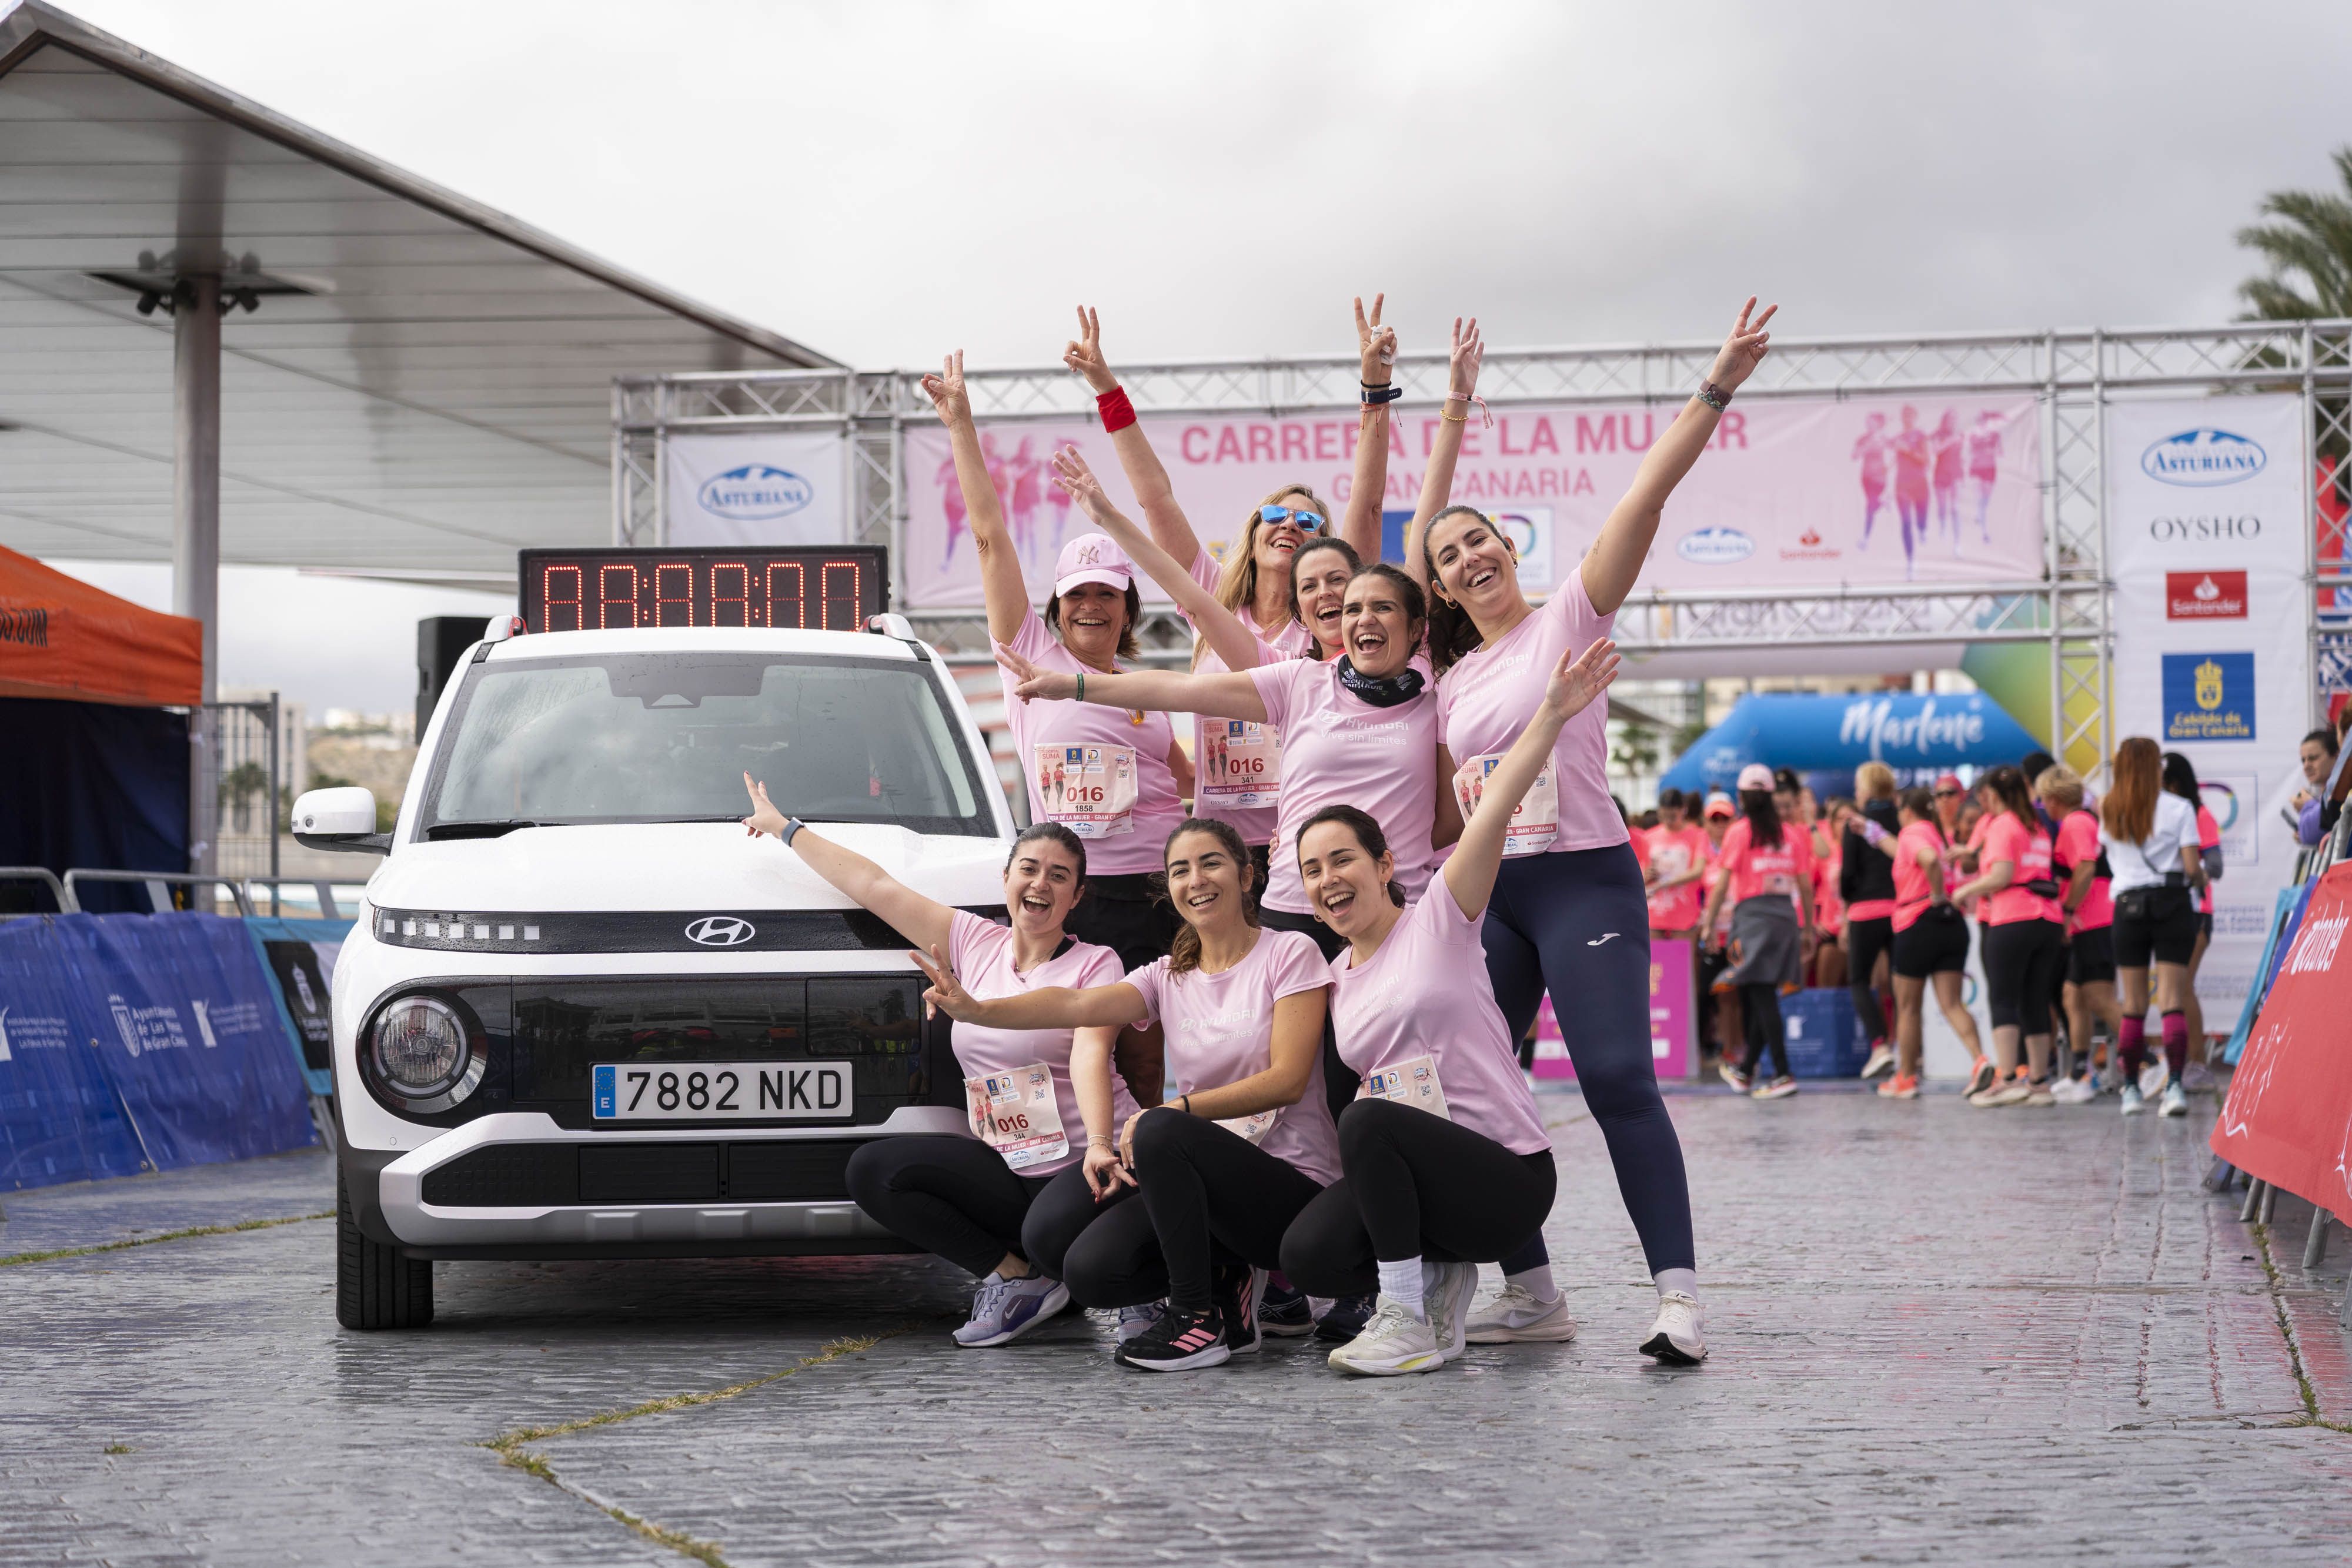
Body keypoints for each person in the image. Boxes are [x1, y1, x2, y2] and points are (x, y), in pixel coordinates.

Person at [1412, 296, 1775, 1360]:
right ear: (1437, 584)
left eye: (1482, 539)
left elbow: (1646, 497)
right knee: (1474, 1087)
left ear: (1508, 547)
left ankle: (1678, 1299)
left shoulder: (1567, 615)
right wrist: (1448, 407)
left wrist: (1715, 386)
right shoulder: (1446, 676)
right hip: (1492, 900)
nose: (1473, 556)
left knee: (1617, 1077)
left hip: (1582, 882)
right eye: (1451, 554)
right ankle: (1531, 1290)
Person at [1279, 636, 1625, 1374]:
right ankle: (1436, 1275)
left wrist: (1553, 714)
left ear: (1383, 866)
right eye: (1312, 870)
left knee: (1369, 1118)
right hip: (1423, 1179)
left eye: (1342, 859)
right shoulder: (1333, 974)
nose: (1327, 880)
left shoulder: (1441, 917)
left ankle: (1409, 1314)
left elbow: (1494, 808)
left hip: (1505, 1182)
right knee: (1307, 1255)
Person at [910, 817, 1339, 1372]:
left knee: (1161, 1127)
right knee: (1091, 1269)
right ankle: (1227, 1279)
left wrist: (1178, 1111)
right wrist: (977, 1010)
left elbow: (1287, 1080)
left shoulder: (1290, 953)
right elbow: (1074, 1004)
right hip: (1209, 1192)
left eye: (1211, 863)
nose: (1196, 879)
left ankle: (1196, 1320)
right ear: (1169, 888)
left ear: (1247, 875)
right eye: (1180, 870)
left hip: (1290, 1187)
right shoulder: (1166, 975)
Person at [736, 781, 1140, 1348]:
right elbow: (874, 885)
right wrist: (786, 828)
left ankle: (1138, 1284)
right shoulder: (972, 940)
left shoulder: (1097, 964)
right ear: (1006, 880)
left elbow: (1091, 1053)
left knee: (1053, 1238)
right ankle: (1014, 1278)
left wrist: (1101, 1140)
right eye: (1029, 868)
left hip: (1087, 1164)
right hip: (1008, 1165)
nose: (1040, 883)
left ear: (1076, 896)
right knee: (874, 1170)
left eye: (1059, 875)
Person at [921, 350, 1184, 1109]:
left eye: (1108, 594)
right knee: (1077, 1056)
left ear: (1129, 608)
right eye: (1077, 594)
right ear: (1056, 606)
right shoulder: (1027, 657)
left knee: (1147, 1061)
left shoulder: (1159, 688)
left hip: (1154, 895)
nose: (1091, 606)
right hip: (1068, 896)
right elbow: (989, 539)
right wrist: (962, 425)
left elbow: (1189, 784)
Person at [1061, 303, 1392, 862]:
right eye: (1275, 515)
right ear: (1254, 528)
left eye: (1308, 521)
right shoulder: (1211, 598)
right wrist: (1105, 387)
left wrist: (1375, 389)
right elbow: (1155, 497)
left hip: (1308, 842)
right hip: (1221, 846)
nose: (1290, 523)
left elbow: (1370, 501)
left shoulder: (1331, 620)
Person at [2100, 737, 2206, 1117]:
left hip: (2127, 907)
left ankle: (2130, 1090)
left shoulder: (2109, 808)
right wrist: (2201, 877)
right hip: (2172, 905)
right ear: (2153, 767)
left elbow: (2110, 858)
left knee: (2133, 1005)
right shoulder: (2179, 808)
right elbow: (2192, 868)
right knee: (2172, 999)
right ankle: (2174, 1086)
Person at [1699, 764, 1815, 1100]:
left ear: (1744, 799)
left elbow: (1722, 885)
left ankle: (1782, 1073)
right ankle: (1747, 1071)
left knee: (1762, 995)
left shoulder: (1740, 832)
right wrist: (1807, 927)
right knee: (1764, 995)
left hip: (1753, 918)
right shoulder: (1792, 834)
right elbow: (1805, 888)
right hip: (1785, 918)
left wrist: (1709, 924)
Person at [1949, 765, 2063, 1107]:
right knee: (2035, 998)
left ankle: (2009, 1077)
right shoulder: (2038, 826)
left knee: (2003, 998)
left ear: (1993, 796)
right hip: (2048, 919)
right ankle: (2040, 1082)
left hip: (2012, 916)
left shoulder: (2003, 825)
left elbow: (2002, 875)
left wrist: (1964, 891)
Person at [1881, 785, 1980, 1098]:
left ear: (1907, 812)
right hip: (1952, 923)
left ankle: (1907, 1078)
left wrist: (1936, 895)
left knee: (1909, 1007)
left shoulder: (1913, 834)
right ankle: (1980, 1061)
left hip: (1919, 921)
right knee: (1952, 1004)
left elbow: (1930, 862)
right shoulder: (1939, 836)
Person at [2039, 764, 2117, 1103]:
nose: (2042, 806)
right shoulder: (2080, 821)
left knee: (2099, 998)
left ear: (2054, 799)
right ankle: (2079, 1073)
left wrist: (2068, 910)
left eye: (2043, 800)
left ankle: (2149, 1059)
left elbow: (2085, 867)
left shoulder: (2075, 823)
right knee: (2073, 996)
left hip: (2095, 920)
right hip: (2090, 921)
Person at [2161, 751, 2222, 1089]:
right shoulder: (2159, 816)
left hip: (2197, 912)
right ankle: (2182, 1062)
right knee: (2175, 988)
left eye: (2162, 784)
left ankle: (2197, 1063)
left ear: (2174, 783)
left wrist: (2190, 870)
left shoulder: (2198, 814)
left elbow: (2216, 867)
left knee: (2182, 986)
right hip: (2169, 912)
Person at [1838, 761, 1902, 1078]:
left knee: (1859, 980)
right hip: (1901, 908)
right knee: (1900, 982)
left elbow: (1847, 874)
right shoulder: (1902, 819)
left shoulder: (1856, 823)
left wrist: (1847, 900)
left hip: (1865, 910)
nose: (1856, 792)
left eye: (1858, 787)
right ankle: (1905, 1045)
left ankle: (1879, 1045)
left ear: (1867, 788)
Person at [2292, 727, 2340, 848]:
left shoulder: (2341, 789)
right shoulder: (2329, 792)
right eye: (2304, 760)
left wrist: (2308, 805)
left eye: (2313, 758)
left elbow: (2309, 833)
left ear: (2336, 756)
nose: (2306, 766)